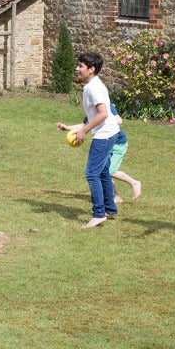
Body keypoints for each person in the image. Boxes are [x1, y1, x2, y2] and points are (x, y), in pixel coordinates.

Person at [56, 52, 120, 228]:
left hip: (105, 135)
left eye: (81, 66)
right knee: (103, 172)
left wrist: (83, 131)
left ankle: (99, 213)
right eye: (78, 65)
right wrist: (71, 128)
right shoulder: (92, 85)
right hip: (109, 132)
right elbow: (91, 115)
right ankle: (110, 208)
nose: (77, 69)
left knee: (92, 173)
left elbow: (103, 114)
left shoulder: (93, 88)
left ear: (91, 69)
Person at [60, 103, 142, 204]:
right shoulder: (92, 110)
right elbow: (83, 125)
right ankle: (116, 196)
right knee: (102, 170)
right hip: (105, 143)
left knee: (109, 171)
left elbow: (119, 120)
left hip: (118, 144)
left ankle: (134, 183)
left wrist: (102, 119)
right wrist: (67, 128)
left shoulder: (107, 107)